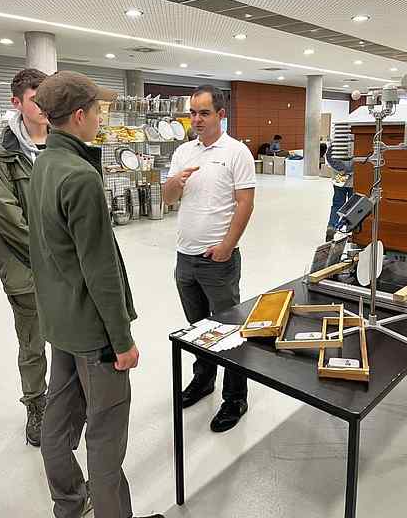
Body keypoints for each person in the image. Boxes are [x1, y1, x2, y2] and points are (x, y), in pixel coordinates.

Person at [29, 71, 163, 518]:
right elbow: (100, 269)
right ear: (79, 115)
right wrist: (121, 340)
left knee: (58, 420)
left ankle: (69, 504)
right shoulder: (80, 176)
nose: (101, 118)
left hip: (61, 322)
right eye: (97, 110)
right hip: (93, 331)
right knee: (105, 435)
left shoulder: (43, 165)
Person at [163, 85, 256, 433]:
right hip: (184, 258)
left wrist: (227, 246)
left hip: (219, 260)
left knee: (229, 332)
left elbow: (245, 203)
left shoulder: (236, 152)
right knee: (198, 329)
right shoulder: (183, 152)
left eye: (204, 113)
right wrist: (175, 180)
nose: (197, 119)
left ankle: (235, 397)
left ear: (220, 114)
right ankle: (204, 380)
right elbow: (168, 199)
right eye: (193, 113)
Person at [0, 68, 49, 447]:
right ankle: (36, 405)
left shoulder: (64, 144)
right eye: (35, 99)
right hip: (26, 270)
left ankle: (66, 401)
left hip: (68, 268)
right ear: (17, 102)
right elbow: (7, 218)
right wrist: (51, 256)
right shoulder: (0, 154)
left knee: (71, 340)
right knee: (32, 342)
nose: (43, 106)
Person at [325, 144, 354, 241]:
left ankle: (332, 226)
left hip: (339, 176)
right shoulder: (360, 141)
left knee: (337, 204)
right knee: (353, 206)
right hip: (354, 177)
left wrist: (341, 169)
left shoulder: (338, 140)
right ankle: (351, 231)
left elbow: (329, 155)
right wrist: (351, 169)